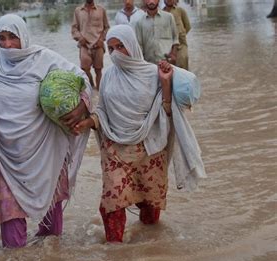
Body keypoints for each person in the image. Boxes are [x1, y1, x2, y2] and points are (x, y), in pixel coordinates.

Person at [0, 14, 92, 248]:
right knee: (13, 236)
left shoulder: (44, 59)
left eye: (12, 37)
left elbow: (81, 78)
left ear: (23, 35)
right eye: (1, 38)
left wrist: (82, 105)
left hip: (45, 151)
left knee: (51, 233)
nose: (7, 44)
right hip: (6, 156)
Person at [73, 25, 206, 242]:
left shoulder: (154, 74)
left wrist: (165, 83)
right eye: (111, 48)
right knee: (112, 204)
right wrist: (89, 121)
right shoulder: (108, 76)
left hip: (150, 150)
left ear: (133, 46)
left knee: (149, 205)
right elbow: (103, 112)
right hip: (115, 149)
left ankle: (150, 249)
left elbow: (166, 113)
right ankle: (114, 252)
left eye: (121, 47)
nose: (116, 53)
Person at [71, 0, 110, 90]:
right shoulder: (78, 11)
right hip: (84, 45)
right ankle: (91, 87)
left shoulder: (101, 10)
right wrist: (80, 38)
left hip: (98, 45)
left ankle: (99, 92)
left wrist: (101, 39)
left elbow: (107, 27)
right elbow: (74, 28)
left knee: (98, 70)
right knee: (85, 69)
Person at [135, 0, 179, 65]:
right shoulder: (139, 22)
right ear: (144, 1)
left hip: (167, 62)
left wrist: (173, 56)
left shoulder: (169, 17)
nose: (151, 1)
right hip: (149, 64)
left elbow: (175, 39)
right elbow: (139, 45)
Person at [164, 0, 191, 69]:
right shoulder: (161, 13)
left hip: (181, 46)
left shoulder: (180, 11)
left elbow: (188, 26)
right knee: (170, 69)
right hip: (167, 47)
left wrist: (181, 35)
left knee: (183, 68)